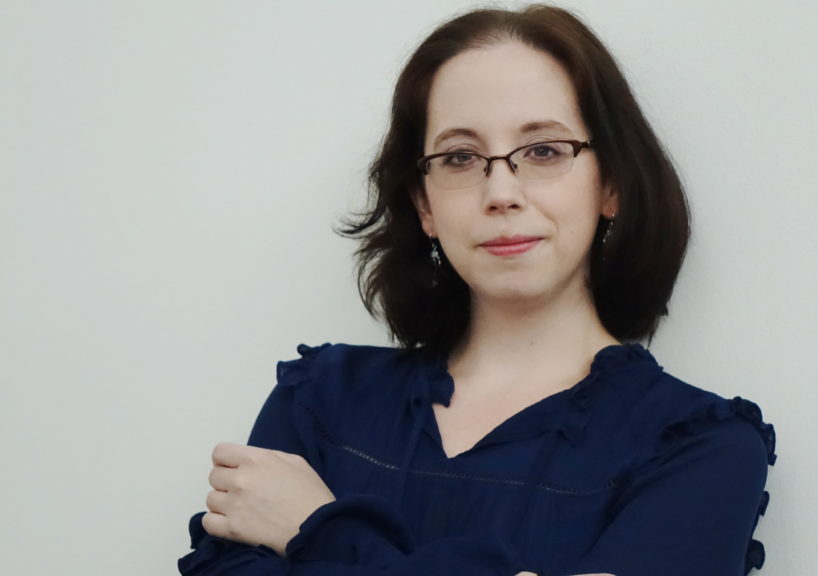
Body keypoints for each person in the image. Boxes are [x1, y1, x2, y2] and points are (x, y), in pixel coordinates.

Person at [178, 4, 776, 575]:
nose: (500, 192)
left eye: (544, 150)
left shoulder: (698, 448)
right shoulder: (319, 404)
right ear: (424, 205)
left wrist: (319, 528)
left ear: (611, 186)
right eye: (461, 157)